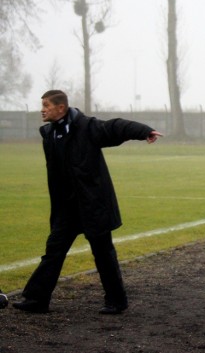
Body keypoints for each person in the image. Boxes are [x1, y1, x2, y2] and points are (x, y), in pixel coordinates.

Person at [12, 90, 162, 315]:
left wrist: (143, 131)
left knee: (103, 254)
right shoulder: (49, 134)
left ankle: (116, 301)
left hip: (93, 206)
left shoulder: (87, 127)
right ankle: (37, 299)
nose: (42, 109)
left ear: (61, 108)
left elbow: (114, 127)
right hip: (66, 209)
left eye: (46, 105)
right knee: (53, 251)